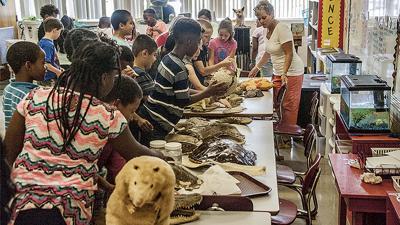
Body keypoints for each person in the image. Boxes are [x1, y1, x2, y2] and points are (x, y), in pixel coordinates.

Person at [4, 40, 164, 225]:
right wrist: (161, 155)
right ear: (105, 77)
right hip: (69, 209)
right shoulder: (107, 115)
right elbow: (137, 153)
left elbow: (8, 154)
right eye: (114, 76)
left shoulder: (35, 97)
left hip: (22, 203)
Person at [138, 18, 227, 146]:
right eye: (198, 42)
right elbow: (184, 100)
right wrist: (207, 93)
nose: (199, 48)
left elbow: (179, 90)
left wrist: (208, 92)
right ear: (189, 42)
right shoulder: (179, 67)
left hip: (152, 119)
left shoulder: (168, 58)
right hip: (156, 125)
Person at [249, 1, 304, 126]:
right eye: (259, 18)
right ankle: (279, 132)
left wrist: (284, 73)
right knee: (278, 103)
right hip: (278, 71)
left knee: (289, 104)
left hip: (292, 71)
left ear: (272, 14)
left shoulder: (282, 28)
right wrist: (257, 67)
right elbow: (268, 52)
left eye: (264, 17)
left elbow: (289, 53)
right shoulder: (264, 30)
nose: (262, 21)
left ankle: (286, 137)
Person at [3, 42, 46, 129]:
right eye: (43, 63)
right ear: (28, 66)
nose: (46, 67)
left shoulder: (8, 88)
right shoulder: (31, 96)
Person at [130, 34, 157, 139]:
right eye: (154, 55)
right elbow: (152, 100)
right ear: (145, 53)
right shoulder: (140, 74)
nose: (154, 59)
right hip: (142, 125)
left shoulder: (134, 71)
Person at [194, 19, 234, 85]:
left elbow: (206, 66)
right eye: (206, 36)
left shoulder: (204, 47)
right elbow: (202, 71)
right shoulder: (195, 50)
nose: (209, 40)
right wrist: (221, 64)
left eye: (210, 37)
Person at [39, 17, 63, 84]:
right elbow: (46, 64)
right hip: (48, 79)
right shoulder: (47, 45)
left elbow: (52, 60)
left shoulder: (44, 42)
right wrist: (58, 72)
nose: (59, 34)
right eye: (59, 32)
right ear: (54, 30)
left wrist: (58, 68)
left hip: (49, 76)